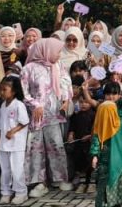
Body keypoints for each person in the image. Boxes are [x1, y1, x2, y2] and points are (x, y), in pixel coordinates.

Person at [21, 37, 73, 197]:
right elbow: (24, 92)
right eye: (57, 51)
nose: (59, 54)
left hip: (54, 115)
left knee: (56, 145)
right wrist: (35, 105)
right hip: (36, 116)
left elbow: (66, 83)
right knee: (36, 148)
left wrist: (65, 99)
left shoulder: (58, 66)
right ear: (46, 51)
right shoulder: (28, 69)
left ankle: (59, 178)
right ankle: (39, 182)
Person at [90, 82, 122, 207]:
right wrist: (94, 155)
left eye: (114, 94)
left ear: (119, 95)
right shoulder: (103, 109)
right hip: (105, 156)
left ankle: (119, 203)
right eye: (108, 94)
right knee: (104, 184)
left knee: (119, 182)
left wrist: (114, 123)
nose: (111, 97)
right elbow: (97, 133)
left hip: (120, 152)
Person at [0, 76, 29, 205]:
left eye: (4, 89)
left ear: (14, 91)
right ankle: (6, 192)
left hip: (16, 144)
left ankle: (21, 192)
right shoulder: (3, 105)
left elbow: (25, 122)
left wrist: (13, 131)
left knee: (17, 169)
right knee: (5, 170)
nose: (2, 92)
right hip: (3, 144)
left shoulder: (19, 105)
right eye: (1, 89)